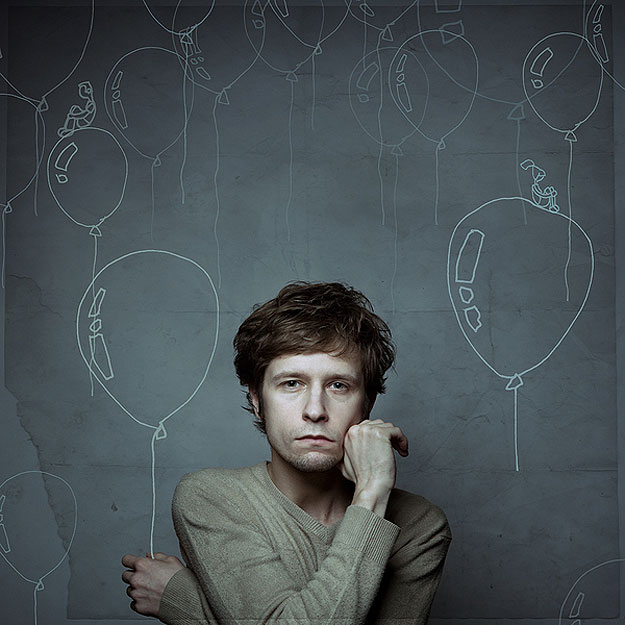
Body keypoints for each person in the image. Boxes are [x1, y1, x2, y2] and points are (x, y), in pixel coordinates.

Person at [122, 281, 451, 624]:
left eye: (338, 385)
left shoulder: (419, 526)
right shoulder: (213, 498)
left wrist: (187, 604)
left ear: (367, 403)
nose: (315, 410)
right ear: (256, 399)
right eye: (292, 383)